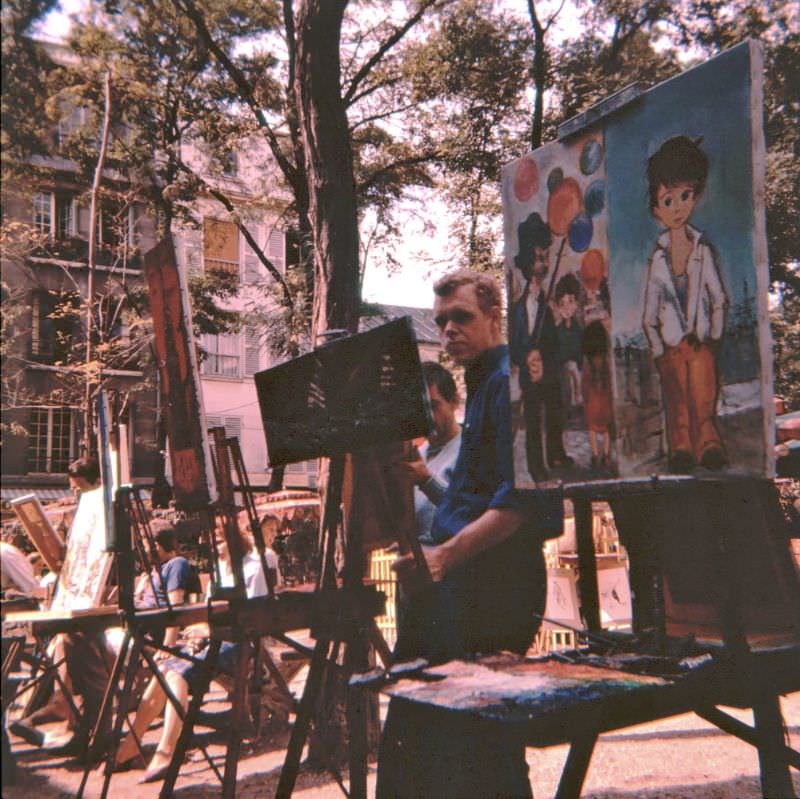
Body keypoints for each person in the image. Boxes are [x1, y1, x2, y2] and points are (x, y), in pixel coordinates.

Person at [377, 269, 563, 799]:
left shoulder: (506, 381)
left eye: (462, 317)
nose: (449, 329)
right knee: (440, 742)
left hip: (494, 590)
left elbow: (529, 502)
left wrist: (445, 556)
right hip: (464, 586)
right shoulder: (483, 383)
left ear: (494, 316)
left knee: (477, 746)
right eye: (441, 322)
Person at [114, 519, 270, 782]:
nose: (215, 548)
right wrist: (199, 630)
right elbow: (208, 613)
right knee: (163, 669)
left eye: (219, 542)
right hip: (213, 641)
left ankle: (166, 751)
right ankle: (131, 745)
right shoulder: (221, 570)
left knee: (176, 675)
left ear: (234, 540)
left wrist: (209, 631)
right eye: (212, 543)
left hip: (239, 644)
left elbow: (256, 619)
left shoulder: (253, 568)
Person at [642, 135, 728, 473]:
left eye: (685, 196)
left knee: (702, 397)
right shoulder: (658, 259)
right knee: (676, 399)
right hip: (671, 346)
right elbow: (649, 314)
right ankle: (680, 448)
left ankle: (708, 444)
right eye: (668, 199)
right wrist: (658, 349)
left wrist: (713, 338)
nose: (677, 207)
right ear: (656, 208)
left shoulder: (702, 250)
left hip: (700, 342)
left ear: (695, 195)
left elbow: (718, 297)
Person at [510, 212, 570, 481]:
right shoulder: (517, 308)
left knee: (555, 411)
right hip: (530, 373)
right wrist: (526, 359)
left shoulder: (548, 302)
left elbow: (554, 342)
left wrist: (550, 348)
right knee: (533, 420)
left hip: (551, 371)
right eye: (538, 257)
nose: (543, 262)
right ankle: (537, 467)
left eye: (546, 256)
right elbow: (515, 342)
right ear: (527, 261)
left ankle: (556, 454)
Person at [403, 361, 462, 538]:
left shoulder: (472, 450)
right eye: (419, 409)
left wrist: (427, 481)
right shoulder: (418, 455)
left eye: (433, 406)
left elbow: (470, 512)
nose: (427, 417)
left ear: (454, 402)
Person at [582, 320, 614, 471]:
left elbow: (585, 384)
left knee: (592, 429)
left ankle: (595, 456)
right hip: (605, 400)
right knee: (606, 429)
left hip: (591, 401)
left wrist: (584, 397)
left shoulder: (587, 364)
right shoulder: (605, 362)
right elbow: (609, 381)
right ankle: (606, 456)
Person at [554, 272, 583, 413]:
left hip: (576, 365)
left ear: (576, 303)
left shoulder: (578, 329)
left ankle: (577, 397)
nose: (566, 308)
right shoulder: (556, 331)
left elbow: (580, 348)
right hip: (561, 366)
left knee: (574, 370)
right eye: (562, 303)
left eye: (570, 302)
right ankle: (571, 402)